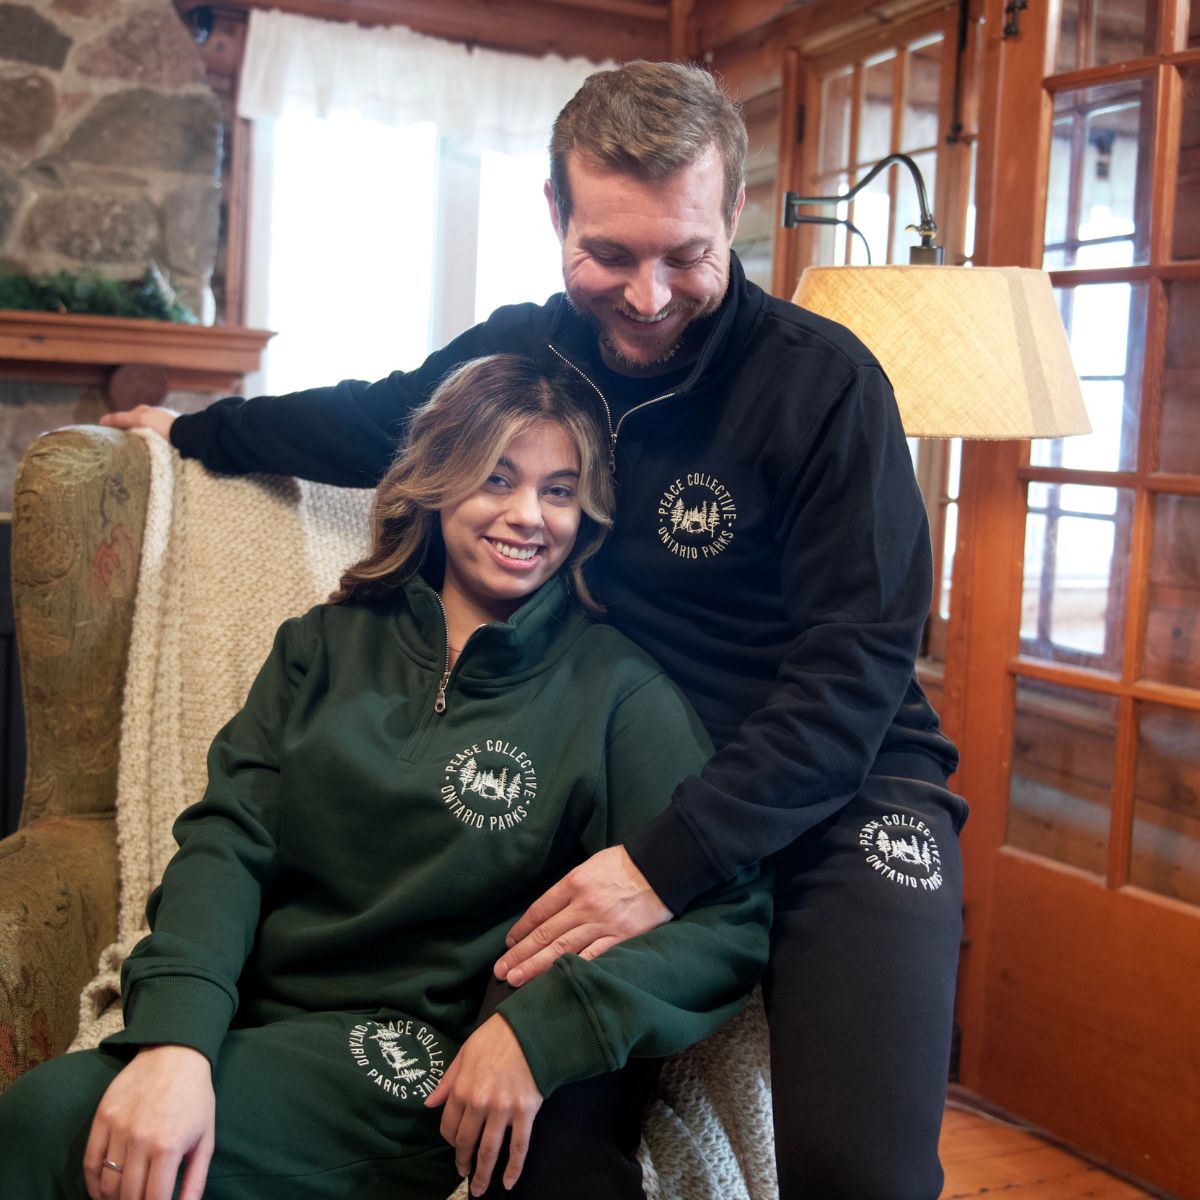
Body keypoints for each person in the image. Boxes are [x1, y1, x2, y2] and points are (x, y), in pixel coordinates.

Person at [100, 61, 968, 1199]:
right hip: (625, 775)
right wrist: (194, 431)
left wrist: (665, 867)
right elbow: (376, 419)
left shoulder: (827, 387)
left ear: (734, 216)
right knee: (535, 1147)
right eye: (609, 253)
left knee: (864, 1174)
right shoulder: (530, 350)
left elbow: (854, 678)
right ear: (553, 214)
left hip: (843, 791)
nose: (648, 296)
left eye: (686, 255)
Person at [0, 354, 771, 1200]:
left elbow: (726, 916)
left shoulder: (619, 691)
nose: (527, 516)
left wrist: (542, 1035)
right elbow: (226, 845)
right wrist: (176, 1040)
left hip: (417, 1068)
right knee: (42, 1115)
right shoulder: (320, 646)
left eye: (558, 490)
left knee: (107, 1156)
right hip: (251, 1020)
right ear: (437, 482)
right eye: (496, 478)